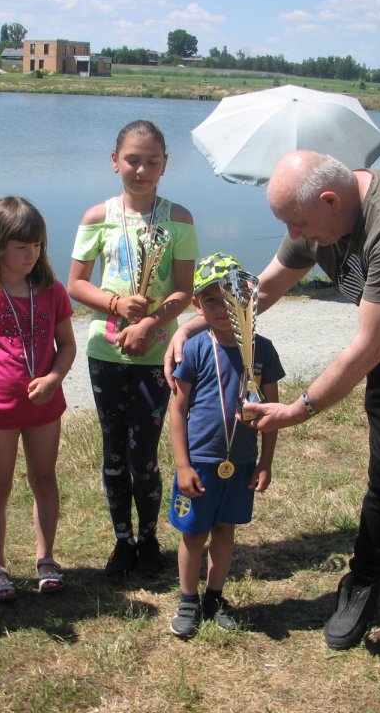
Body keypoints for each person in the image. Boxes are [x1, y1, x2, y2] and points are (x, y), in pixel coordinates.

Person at [166, 150, 380, 669]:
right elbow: (260, 292)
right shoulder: (317, 220)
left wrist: (300, 408)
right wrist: (191, 326)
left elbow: (367, 346)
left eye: (296, 222)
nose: (291, 232)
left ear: (331, 202)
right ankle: (362, 584)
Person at [67, 120, 199, 578]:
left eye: (152, 161)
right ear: (114, 161)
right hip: (106, 353)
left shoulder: (179, 219)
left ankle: (149, 540)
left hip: (157, 355)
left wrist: (150, 323)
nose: (141, 170)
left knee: (144, 453)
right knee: (114, 451)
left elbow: (185, 290)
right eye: (132, 160)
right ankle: (121, 540)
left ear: (165, 166)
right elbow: (76, 284)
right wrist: (118, 303)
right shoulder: (96, 217)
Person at [0, 196, 76, 600]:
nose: (31, 255)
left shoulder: (51, 291)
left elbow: (67, 346)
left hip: (44, 408)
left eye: (37, 246)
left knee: (44, 478)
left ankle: (46, 559)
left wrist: (54, 379)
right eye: (21, 247)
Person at [167, 253, 283, 638]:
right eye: (211, 299)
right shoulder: (196, 348)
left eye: (231, 297)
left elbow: (271, 413)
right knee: (193, 534)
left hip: (242, 462)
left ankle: (214, 596)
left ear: (248, 299)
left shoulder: (262, 350)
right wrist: (182, 465)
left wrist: (265, 463)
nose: (222, 307)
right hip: (199, 461)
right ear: (197, 305)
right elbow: (177, 408)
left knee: (225, 530)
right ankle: (187, 599)